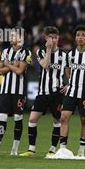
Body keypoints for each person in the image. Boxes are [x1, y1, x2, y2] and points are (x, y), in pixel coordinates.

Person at [19, 26, 68, 158]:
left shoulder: (65, 55)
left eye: (55, 37)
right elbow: (45, 65)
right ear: (46, 38)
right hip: (42, 92)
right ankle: (31, 149)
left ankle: (52, 149)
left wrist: (69, 85)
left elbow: (71, 72)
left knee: (57, 120)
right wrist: (48, 49)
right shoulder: (40, 51)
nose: (53, 40)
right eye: (51, 37)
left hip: (57, 93)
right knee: (32, 119)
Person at [58, 25, 85, 158]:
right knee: (63, 117)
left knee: (84, 120)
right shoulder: (70, 54)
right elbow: (66, 69)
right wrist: (71, 82)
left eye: (83, 35)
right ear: (75, 38)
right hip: (71, 92)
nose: (80, 37)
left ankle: (81, 151)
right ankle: (63, 149)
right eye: (78, 35)